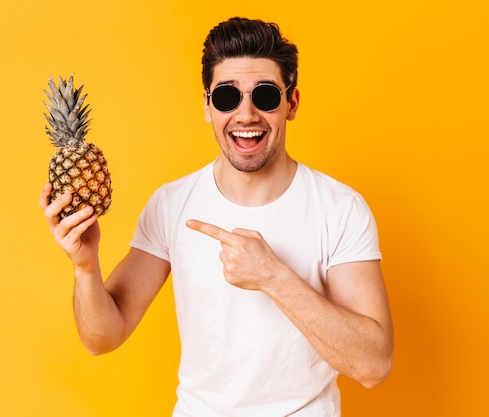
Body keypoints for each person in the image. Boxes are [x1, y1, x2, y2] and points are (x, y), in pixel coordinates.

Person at [40, 17, 393, 417]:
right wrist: (86, 267)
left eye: (265, 95)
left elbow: (373, 365)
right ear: (207, 105)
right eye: (227, 97)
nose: (246, 115)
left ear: (291, 104)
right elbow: (101, 338)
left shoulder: (339, 208)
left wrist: (273, 277)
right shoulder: (171, 204)